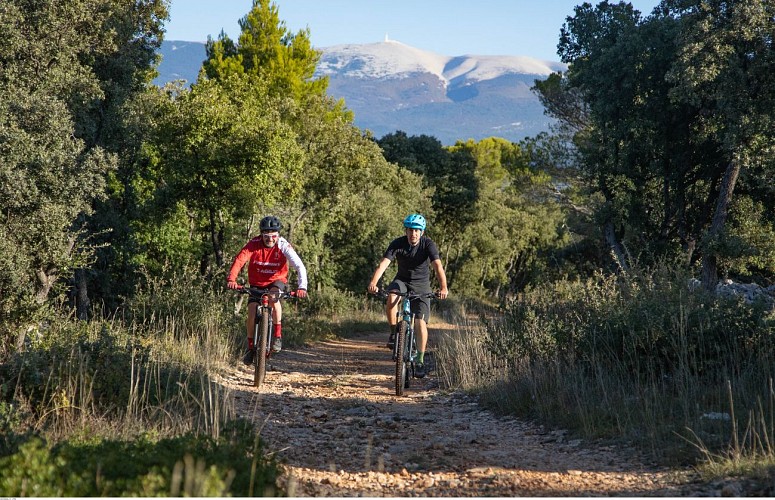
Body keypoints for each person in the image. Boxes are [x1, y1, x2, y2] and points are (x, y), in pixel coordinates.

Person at [367, 213, 449, 378]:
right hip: (402, 281)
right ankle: (393, 333)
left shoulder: (428, 245)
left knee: (420, 323)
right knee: (391, 297)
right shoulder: (398, 243)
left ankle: (419, 360)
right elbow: (384, 264)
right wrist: (373, 283)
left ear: (422, 232)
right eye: (411, 230)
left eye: (417, 230)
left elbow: (438, 267)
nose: (413, 234)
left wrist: (443, 287)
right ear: (406, 230)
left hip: (422, 285)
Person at [227, 215, 308, 365]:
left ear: (278, 235)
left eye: (274, 236)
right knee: (251, 311)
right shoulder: (254, 244)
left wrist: (302, 287)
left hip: (276, 281)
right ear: (261, 235)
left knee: (273, 297)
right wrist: (232, 279)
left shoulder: (283, 245)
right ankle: (251, 348)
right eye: (266, 236)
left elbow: (299, 266)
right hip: (257, 283)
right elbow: (240, 260)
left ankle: (277, 336)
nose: (270, 239)